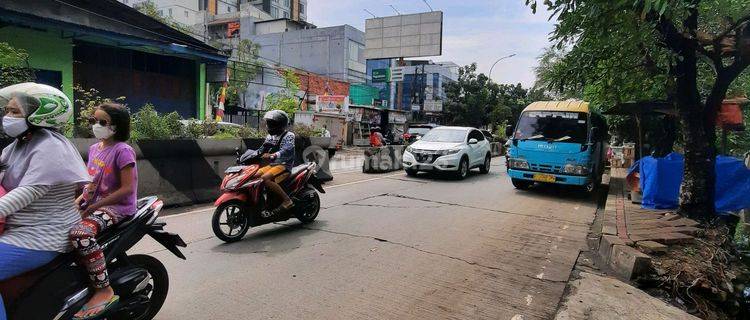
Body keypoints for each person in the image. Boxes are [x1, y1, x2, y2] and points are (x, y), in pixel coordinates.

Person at [0, 83, 90, 318]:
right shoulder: (17, 145)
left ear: (40, 114)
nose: (7, 117)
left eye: (15, 112)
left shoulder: (50, 147)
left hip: (43, 234)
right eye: (7, 111)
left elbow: (27, 192)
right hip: (19, 228)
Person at [69, 103, 137, 319]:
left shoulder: (123, 151)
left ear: (116, 127)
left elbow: (127, 189)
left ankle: (103, 288)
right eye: (93, 121)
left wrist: (93, 207)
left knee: (80, 234)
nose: (95, 126)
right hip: (93, 204)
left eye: (102, 122)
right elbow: (90, 184)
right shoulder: (93, 149)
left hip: (117, 207)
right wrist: (78, 202)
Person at [240, 110, 295, 215]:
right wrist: (246, 157)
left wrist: (274, 155)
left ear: (280, 124)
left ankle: (287, 201)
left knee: (265, 179)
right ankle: (260, 203)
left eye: (272, 123)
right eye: (268, 123)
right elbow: (261, 149)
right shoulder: (270, 137)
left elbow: (287, 149)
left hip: (284, 165)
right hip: (272, 165)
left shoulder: (289, 135)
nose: (269, 126)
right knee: (251, 175)